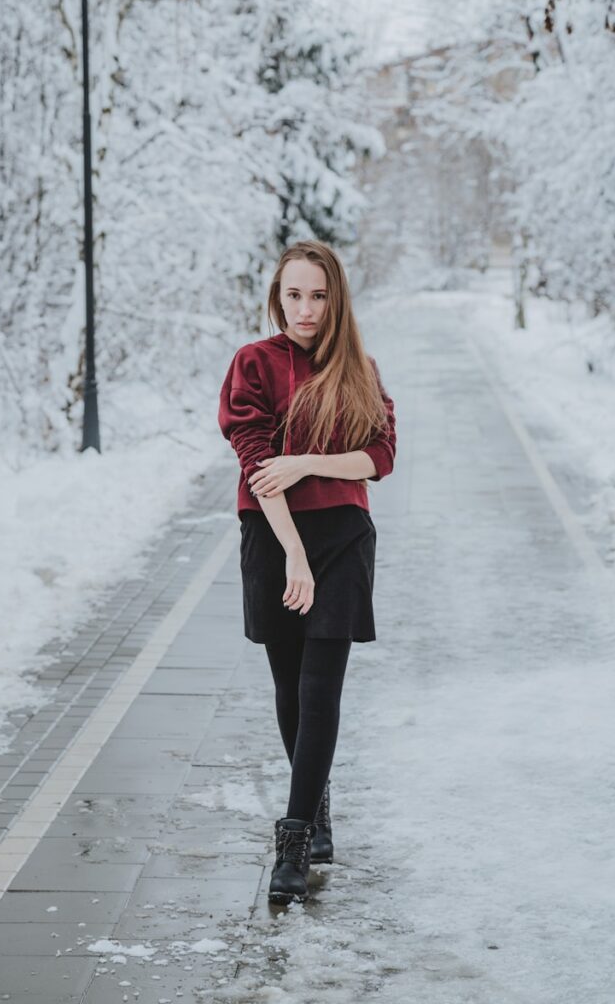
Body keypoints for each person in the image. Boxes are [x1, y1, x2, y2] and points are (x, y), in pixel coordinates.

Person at [217, 239, 396, 905]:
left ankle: (292, 841)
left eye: (317, 295)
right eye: (293, 294)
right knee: (290, 689)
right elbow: (258, 465)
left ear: (335, 297)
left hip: (343, 537)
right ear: (277, 296)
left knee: (320, 690)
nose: (305, 308)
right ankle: (314, 800)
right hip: (274, 537)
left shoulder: (358, 369)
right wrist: (292, 549)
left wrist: (309, 464)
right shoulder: (254, 363)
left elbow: (378, 455)